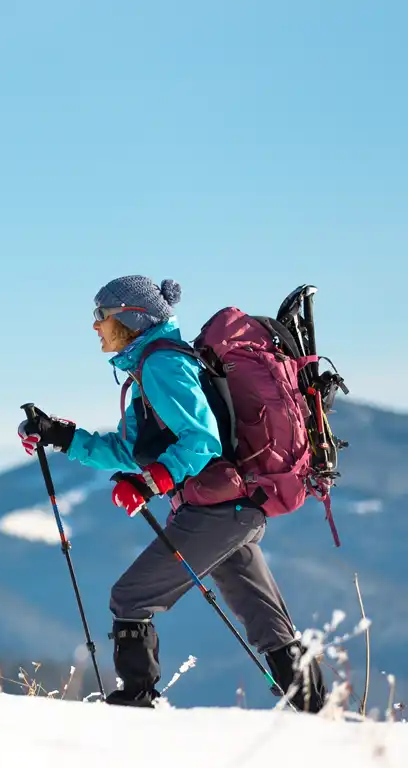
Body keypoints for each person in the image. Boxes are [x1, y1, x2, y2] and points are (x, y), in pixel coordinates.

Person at [18, 275, 326, 710]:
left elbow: (202, 441)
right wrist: (62, 437)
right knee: (266, 623)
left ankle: (137, 704)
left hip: (218, 511)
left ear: (132, 318)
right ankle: (316, 712)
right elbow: (128, 449)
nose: (95, 326)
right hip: (232, 508)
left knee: (130, 597)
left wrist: (151, 482)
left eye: (101, 316)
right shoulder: (151, 366)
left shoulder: (163, 366)